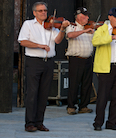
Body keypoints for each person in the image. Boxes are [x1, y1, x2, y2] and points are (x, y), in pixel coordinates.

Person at [18, 2, 70, 132]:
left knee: (43, 94)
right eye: (40, 11)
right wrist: (40, 45)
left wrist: (62, 29)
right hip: (34, 61)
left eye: (45, 10)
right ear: (34, 13)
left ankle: (39, 122)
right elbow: (22, 41)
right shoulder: (28, 24)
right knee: (32, 93)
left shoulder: (51, 25)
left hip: (48, 61)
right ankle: (29, 123)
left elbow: (57, 40)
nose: (43, 13)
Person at [65, 7, 94, 115]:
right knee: (74, 83)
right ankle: (71, 106)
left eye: (87, 16)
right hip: (76, 59)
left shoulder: (90, 28)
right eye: (85, 16)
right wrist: (85, 31)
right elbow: (70, 35)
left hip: (88, 59)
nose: (87, 18)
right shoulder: (71, 26)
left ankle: (84, 106)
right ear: (78, 16)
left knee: (87, 83)